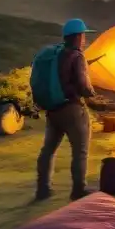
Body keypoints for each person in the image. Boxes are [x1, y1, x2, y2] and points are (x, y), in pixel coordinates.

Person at [35, 18, 97, 201]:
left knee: (48, 149)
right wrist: (93, 94)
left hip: (53, 110)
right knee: (80, 151)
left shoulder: (56, 55)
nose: (84, 39)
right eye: (84, 35)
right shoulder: (77, 56)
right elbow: (82, 85)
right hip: (72, 109)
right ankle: (78, 190)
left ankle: (42, 189)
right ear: (78, 36)